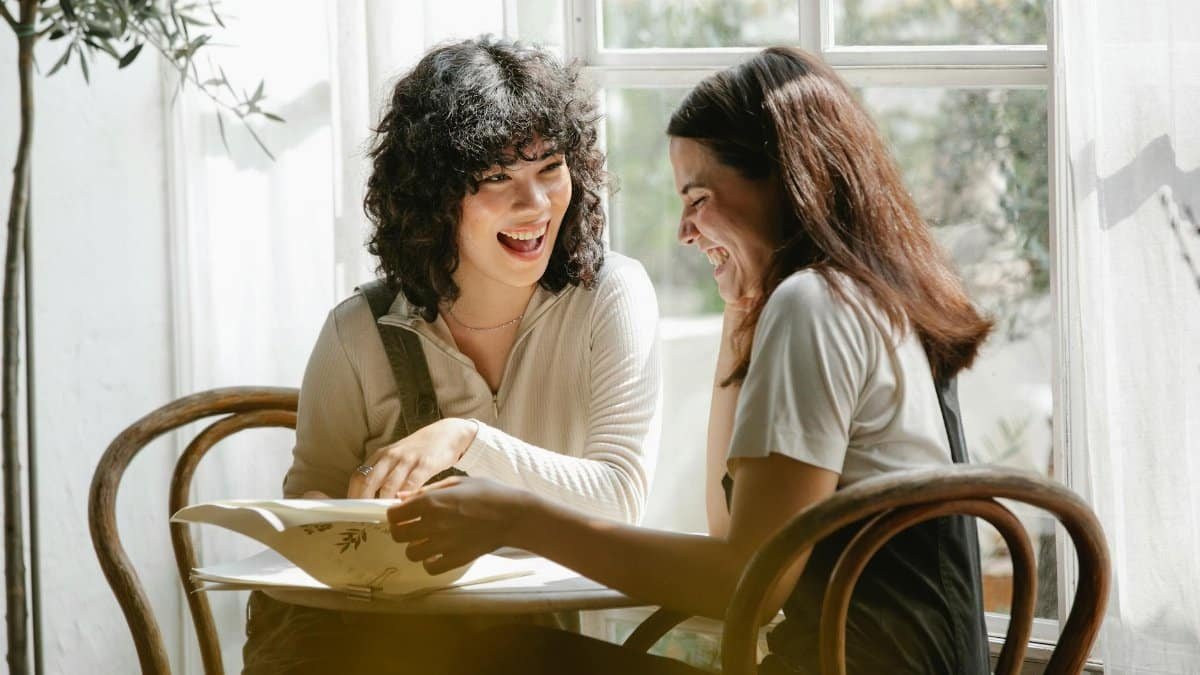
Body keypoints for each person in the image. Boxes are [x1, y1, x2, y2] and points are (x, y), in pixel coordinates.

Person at [387, 46, 994, 675]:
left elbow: (745, 586)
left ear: (787, 179)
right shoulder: (860, 295)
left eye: (698, 197)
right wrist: (740, 313)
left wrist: (519, 517)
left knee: (486, 659)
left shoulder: (814, 305)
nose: (683, 229)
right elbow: (729, 526)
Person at [242, 36, 661, 674]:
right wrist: (353, 511)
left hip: (525, 643)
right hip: (377, 645)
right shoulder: (359, 330)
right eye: (496, 177)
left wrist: (465, 440)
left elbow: (620, 500)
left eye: (550, 167)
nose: (537, 204)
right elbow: (308, 514)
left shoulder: (610, 295)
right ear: (435, 198)